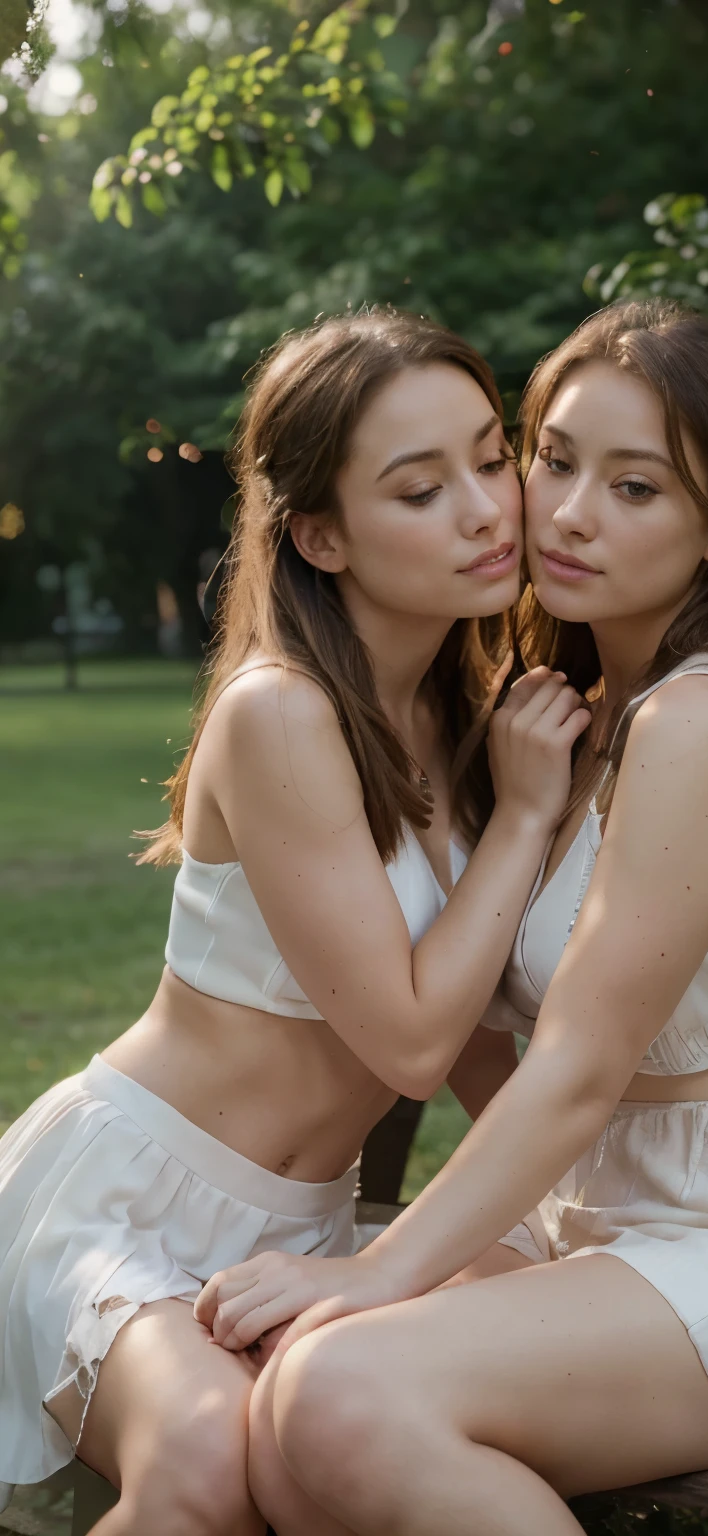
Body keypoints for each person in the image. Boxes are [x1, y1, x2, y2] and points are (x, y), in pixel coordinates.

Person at [199, 300, 708, 1536]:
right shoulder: (567, 722)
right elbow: (466, 1027)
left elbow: (578, 1069)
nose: (571, 511)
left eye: (636, 488)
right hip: (588, 1223)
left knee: (340, 1394)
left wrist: (377, 1268)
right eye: (556, 459)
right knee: (279, 1392)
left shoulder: (698, 724)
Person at [0, 308, 590, 1534]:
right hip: (133, 1203)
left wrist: (570, 1207)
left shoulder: (472, 714)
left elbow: (479, 1033)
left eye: (492, 459)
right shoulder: (281, 714)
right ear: (318, 535)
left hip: (300, 1224)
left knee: (308, 1455)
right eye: (421, 490)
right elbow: (413, 1046)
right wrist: (528, 820)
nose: (487, 510)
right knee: (209, 1467)